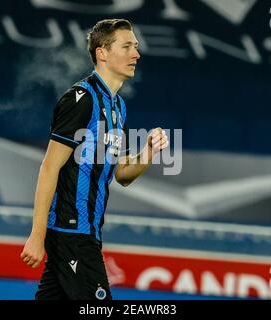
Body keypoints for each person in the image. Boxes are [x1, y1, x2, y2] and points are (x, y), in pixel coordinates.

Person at [20, 18, 169, 300]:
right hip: (70, 232)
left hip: (88, 233)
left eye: (135, 47)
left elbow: (122, 175)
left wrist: (148, 150)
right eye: (127, 47)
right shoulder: (81, 100)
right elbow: (50, 167)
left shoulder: (118, 107)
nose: (136, 54)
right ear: (102, 52)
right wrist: (37, 236)